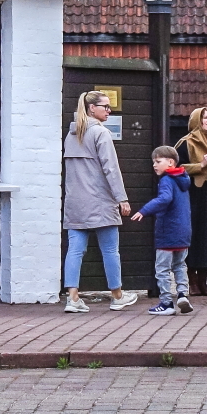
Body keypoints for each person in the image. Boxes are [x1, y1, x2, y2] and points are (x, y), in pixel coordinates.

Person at [61, 91, 140, 313]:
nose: (109, 110)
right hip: (100, 201)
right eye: (105, 106)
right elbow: (111, 169)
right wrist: (122, 198)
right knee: (110, 250)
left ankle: (72, 298)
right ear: (91, 108)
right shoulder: (101, 133)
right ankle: (117, 296)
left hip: (75, 202)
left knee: (75, 250)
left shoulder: (71, 135)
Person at [130, 146, 192, 316]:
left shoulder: (166, 180)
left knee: (162, 269)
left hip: (167, 231)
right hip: (184, 231)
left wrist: (144, 210)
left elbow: (165, 198)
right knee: (180, 265)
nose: (154, 165)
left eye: (158, 161)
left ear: (170, 162)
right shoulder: (183, 179)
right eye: (153, 162)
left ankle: (166, 302)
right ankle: (182, 294)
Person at [175, 106, 207, 297]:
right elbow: (176, 167)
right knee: (194, 236)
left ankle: (203, 282)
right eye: (204, 117)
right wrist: (201, 165)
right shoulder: (186, 142)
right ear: (196, 120)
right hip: (192, 196)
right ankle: (192, 282)